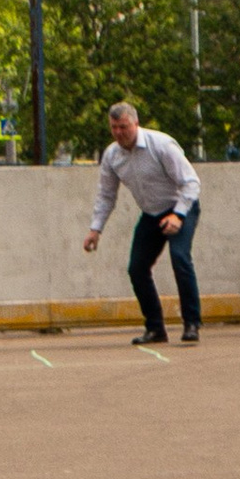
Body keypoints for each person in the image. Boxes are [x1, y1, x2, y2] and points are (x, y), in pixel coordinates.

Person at [83, 100, 201, 347]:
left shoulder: (161, 145)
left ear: (136, 123)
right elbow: (106, 195)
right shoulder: (112, 155)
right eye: (114, 127)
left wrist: (178, 215)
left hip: (182, 206)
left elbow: (191, 183)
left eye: (124, 127)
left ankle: (191, 323)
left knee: (179, 257)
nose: (119, 133)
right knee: (137, 268)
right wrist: (96, 229)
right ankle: (155, 328)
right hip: (152, 214)